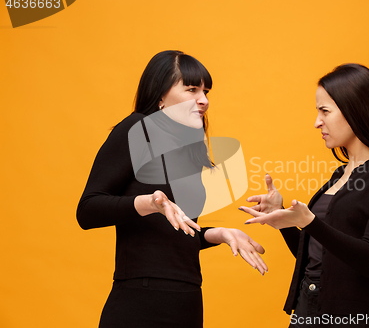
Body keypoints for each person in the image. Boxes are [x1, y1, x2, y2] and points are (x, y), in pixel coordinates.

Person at [77, 50, 267, 328]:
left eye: (206, 91)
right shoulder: (135, 130)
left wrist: (219, 234)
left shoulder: (190, 150)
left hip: (186, 300)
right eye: (191, 89)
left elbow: (175, 232)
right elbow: (87, 210)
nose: (204, 100)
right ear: (161, 96)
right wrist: (149, 203)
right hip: (141, 302)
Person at [239, 64, 369, 327]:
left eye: (324, 111)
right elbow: (320, 257)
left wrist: (309, 222)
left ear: (355, 109)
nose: (317, 122)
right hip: (305, 312)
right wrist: (283, 219)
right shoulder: (340, 174)